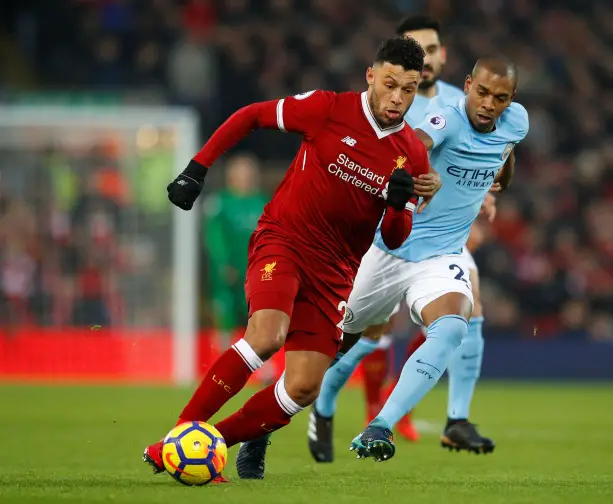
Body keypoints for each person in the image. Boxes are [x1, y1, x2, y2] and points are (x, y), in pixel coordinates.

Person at [142, 35, 441, 482]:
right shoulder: (327, 108)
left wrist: (399, 205)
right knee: (266, 335)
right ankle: (177, 439)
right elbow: (252, 115)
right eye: (391, 83)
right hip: (284, 240)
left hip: (336, 272)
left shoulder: (412, 155)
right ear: (371, 76)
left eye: (409, 88)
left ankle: (209, 444)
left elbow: (397, 239)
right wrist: (197, 167)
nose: (398, 97)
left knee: (303, 386)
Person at [307, 15, 499, 463]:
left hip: (443, 243)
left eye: (431, 50)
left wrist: (487, 191)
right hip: (383, 237)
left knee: (467, 312)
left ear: (443, 55)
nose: (425, 59)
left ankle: (454, 419)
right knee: (364, 335)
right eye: (417, 50)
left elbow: (487, 153)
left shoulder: (466, 102)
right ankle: (322, 400)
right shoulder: (390, 102)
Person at [345, 55, 527, 462]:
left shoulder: (517, 121)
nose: (487, 104)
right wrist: (423, 171)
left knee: (452, 328)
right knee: (336, 342)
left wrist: (499, 176)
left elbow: (505, 149)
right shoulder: (446, 120)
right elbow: (415, 145)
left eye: (499, 98)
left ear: (511, 100)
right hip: (389, 250)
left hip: (442, 256)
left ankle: (380, 426)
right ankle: (275, 414)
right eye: (481, 93)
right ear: (466, 86)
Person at [203, 154, 268, 351]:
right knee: (225, 314)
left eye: (248, 173)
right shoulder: (219, 204)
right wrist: (223, 263)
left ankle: (264, 368)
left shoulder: (263, 202)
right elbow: (214, 237)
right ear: (231, 176)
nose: (245, 178)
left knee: (260, 317)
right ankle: (222, 362)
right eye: (240, 173)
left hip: (257, 272)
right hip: (228, 271)